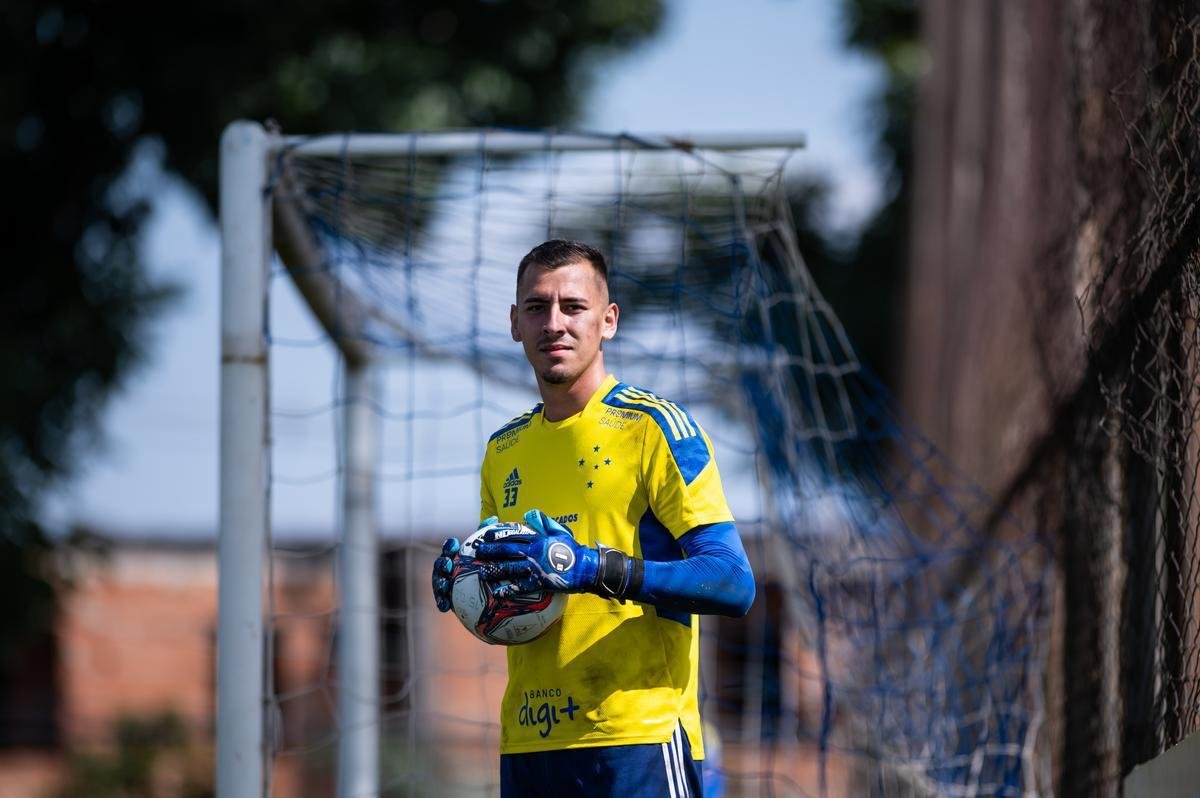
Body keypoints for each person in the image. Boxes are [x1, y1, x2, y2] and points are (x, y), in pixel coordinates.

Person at [432, 239, 755, 798]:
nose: (554, 323)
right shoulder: (502, 450)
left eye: (573, 307)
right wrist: (473, 586)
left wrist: (592, 568)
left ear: (608, 321)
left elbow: (732, 580)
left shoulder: (655, 428)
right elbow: (525, 604)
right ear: (514, 323)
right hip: (530, 747)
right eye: (537, 307)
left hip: (638, 742)